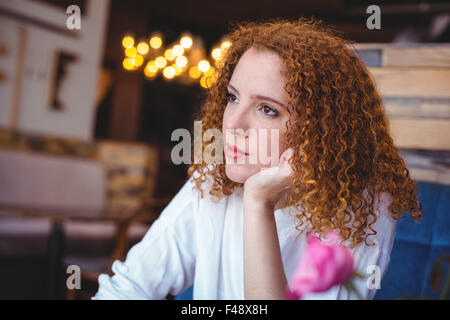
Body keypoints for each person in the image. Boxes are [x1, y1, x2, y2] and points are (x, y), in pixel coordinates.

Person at [92, 17, 422, 300]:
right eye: (232, 98)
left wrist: (258, 203)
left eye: (267, 109)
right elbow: (128, 287)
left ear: (320, 128)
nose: (232, 125)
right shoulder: (211, 180)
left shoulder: (363, 207)